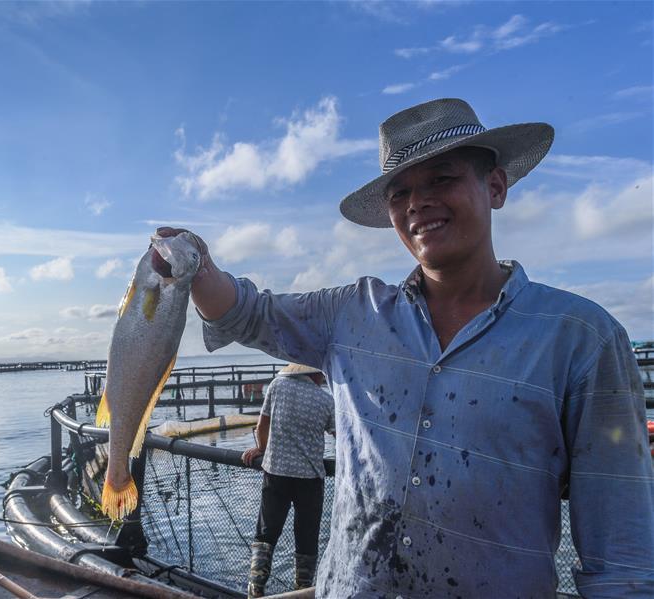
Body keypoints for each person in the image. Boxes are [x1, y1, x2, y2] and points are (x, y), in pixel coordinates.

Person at [159, 98, 654, 598]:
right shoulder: (351, 314)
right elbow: (249, 312)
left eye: (442, 178)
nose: (417, 203)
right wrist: (193, 263)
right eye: (401, 193)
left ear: (496, 186)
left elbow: (622, 559)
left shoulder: (581, 339)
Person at [241, 362, 334, 597]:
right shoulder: (324, 400)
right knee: (307, 536)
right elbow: (340, 433)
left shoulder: (277, 385)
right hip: (310, 477)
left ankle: (255, 589)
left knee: (266, 533)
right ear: (313, 373)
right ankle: (302, 590)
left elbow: (262, 424)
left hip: (276, 472)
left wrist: (262, 448)